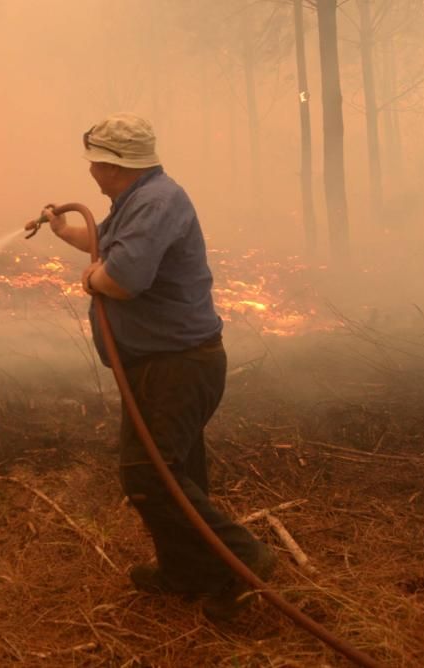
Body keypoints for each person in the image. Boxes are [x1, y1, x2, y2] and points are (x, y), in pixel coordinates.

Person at [26, 112, 276, 621]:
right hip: (160, 363)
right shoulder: (139, 199)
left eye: (95, 160)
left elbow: (122, 277)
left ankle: (244, 560)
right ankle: (187, 572)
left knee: (150, 477)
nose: (90, 168)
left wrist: (92, 280)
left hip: (177, 366)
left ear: (112, 165)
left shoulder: (155, 202)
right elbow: (111, 245)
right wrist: (64, 231)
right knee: (177, 471)